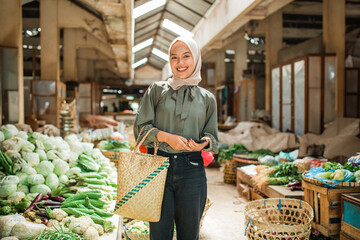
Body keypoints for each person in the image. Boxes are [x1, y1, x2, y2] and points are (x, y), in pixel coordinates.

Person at [134, 36, 219, 240]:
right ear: (169, 61)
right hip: (157, 168)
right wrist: (166, 137)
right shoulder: (156, 91)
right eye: (174, 57)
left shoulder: (207, 99)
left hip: (192, 171)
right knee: (159, 234)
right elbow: (140, 129)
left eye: (186, 56)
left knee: (189, 234)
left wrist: (202, 143)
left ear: (196, 59)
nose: (180, 63)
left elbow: (212, 138)